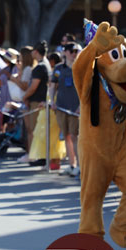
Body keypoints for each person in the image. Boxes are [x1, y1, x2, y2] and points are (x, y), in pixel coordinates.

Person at [52, 42, 81, 176]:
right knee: (67, 136)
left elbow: (85, 88)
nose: (74, 54)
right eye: (71, 51)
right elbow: (53, 86)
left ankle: (80, 166)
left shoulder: (80, 67)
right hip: (61, 106)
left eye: (76, 51)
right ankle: (71, 164)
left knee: (75, 136)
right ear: (65, 52)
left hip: (75, 108)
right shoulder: (59, 68)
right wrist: (52, 101)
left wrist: (81, 106)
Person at [18, 42, 50, 163]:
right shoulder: (45, 65)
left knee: (33, 130)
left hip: (37, 101)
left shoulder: (40, 67)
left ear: (36, 52)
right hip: (40, 100)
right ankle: (37, 155)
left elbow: (33, 87)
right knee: (36, 130)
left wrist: (25, 97)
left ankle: (35, 155)